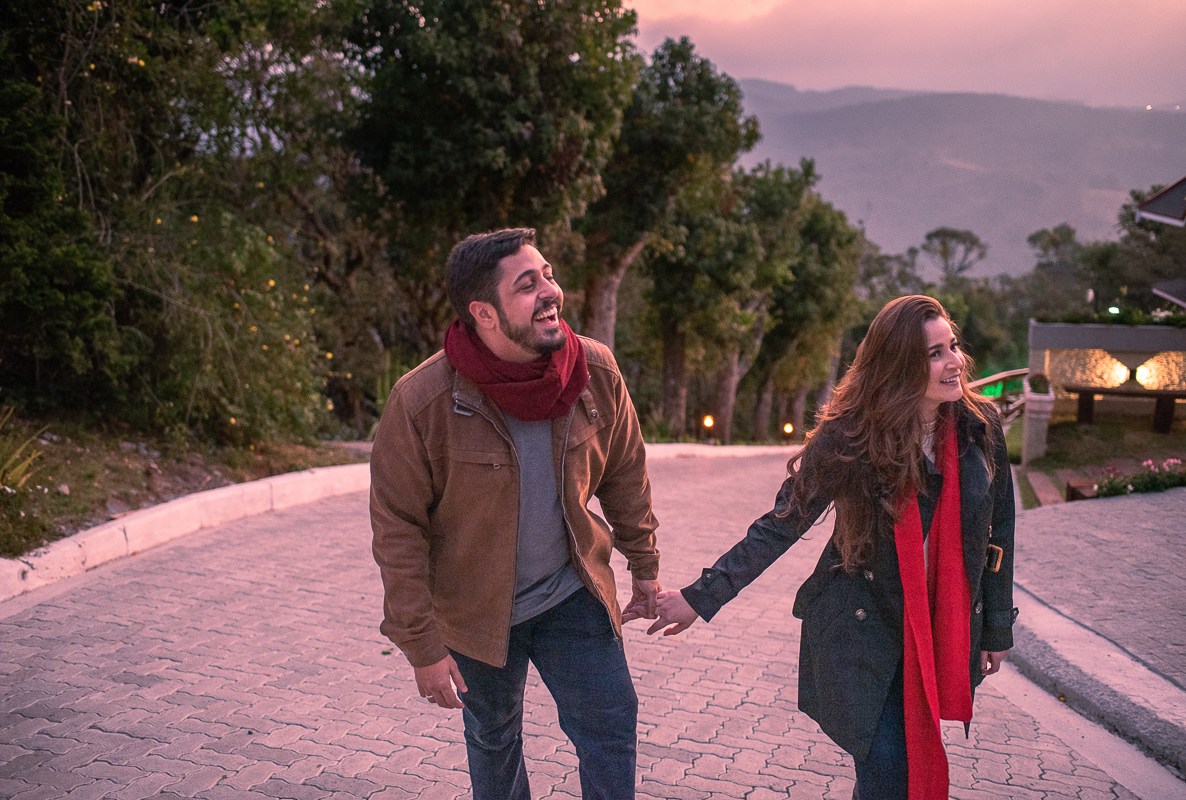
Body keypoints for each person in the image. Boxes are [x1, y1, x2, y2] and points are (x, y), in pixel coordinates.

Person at [647, 295, 1017, 800]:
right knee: (889, 768)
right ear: (897, 365)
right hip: (864, 625)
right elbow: (781, 524)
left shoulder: (981, 427)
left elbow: (1000, 531)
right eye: (934, 354)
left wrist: (995, 627)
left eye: (952, 346)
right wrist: (699, 597)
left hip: (936, 622)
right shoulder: (851, 435)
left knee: (898, 768)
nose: (955, 361)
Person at [370, 227, 661, 800]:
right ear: (484, 313)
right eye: (527, 285)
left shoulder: (594, 371)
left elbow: (626, 472)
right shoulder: (422, 400)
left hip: (571, 593)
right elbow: (398, 530)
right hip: (475, 610)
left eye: (548, 275)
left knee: (611, 726)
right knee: (494, 737)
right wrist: (422, 646)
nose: (550, 291)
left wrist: (644, 565)